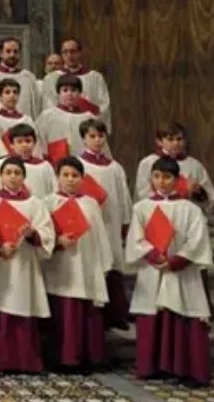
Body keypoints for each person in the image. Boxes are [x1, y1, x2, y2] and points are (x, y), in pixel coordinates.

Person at [125, 156, 214, 386]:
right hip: (153, 269)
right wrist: (154, 255)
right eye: (156, 176)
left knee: (184, 312)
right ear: (151, 178)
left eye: (167, 177)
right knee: (152, 313)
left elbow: (197, 241)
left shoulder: (191, 209)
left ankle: (187, 369)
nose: (161, 182)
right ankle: (152, 366)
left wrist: (175, 261)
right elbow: (136, 239)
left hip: (181, 272)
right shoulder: (142, 208)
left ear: (177, 180)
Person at [42, 157, 113, 370]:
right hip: (62, 265)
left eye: (75, 176)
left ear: (83, 178)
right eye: (66, 175)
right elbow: (43, 236)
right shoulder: (48, 202)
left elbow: (100, 234)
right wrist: (57, 242)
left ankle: (88, 357)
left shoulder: (90, 203)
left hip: (87, 264)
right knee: (64, 313)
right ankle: (64, 359)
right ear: (57, 177)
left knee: (88, 313)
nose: (70, 180)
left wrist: (105, 263)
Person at [0, 157, 54, 374]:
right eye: (8, 172)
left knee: (23, 306)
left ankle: (26, 361)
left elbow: (47, 231)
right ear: (0, 176)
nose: (13, 177)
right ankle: (0, 361)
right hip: (1, 265)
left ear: (24, 176)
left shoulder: (35, 203)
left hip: (25, 264)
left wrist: (33, 234)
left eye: (17, 173)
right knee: (1, 308)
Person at [77, 119, 132, 330]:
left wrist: (125, 222)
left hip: (111, 222)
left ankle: (116, 315)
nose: (97, 140)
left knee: (114, 265)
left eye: (101, 136)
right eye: (92, 136)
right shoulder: (78, 165)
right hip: (89, 224)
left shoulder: (115, 167)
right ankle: (94, 317)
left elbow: (123, 197)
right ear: (83, 138)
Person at [134, 122, 214, 211]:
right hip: (157, 215)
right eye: (170, 139)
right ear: (159, 141)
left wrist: (198, 192)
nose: (176, 143)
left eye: (179, 139)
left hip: (186, 215)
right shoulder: (148, 163)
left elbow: (210, 198)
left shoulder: (195, 165)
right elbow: (142, 194)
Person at [35, 75, 107, 164]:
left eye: (73, 90)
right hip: (54, 165)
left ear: (80, 93)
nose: (69, 94)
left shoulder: (89, 118)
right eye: (65, 90)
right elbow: (38, 142)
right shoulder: (47, 116)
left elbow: (100, 145)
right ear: (59, 93)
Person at [42, 39, 112, 129]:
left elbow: (104, 106)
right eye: (65, 52)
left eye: (73, 51)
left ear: (80, 53)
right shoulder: (51, 78)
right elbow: (49, 106)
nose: (69, 55)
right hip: (62, 127)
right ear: (61, 55)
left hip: (88, 128)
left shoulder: (95, 77)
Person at [0, 37, 40, 117]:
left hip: (24, 127)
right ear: (0, 53)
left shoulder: (29, 77)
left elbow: (36, 108)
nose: (12, 55)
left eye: (15, 51)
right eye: (8, 51)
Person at [0, 124, 55, 198]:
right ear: (11, 144)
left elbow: (53, 191)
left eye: (28, 141)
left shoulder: (45, 166)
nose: (24, 145)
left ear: (34, 143)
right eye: (19, 142)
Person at [0, 78, 37, 157]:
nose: (12, 95)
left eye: (15, 92)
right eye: (7, 92)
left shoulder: (27, 120)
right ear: (0, 96)